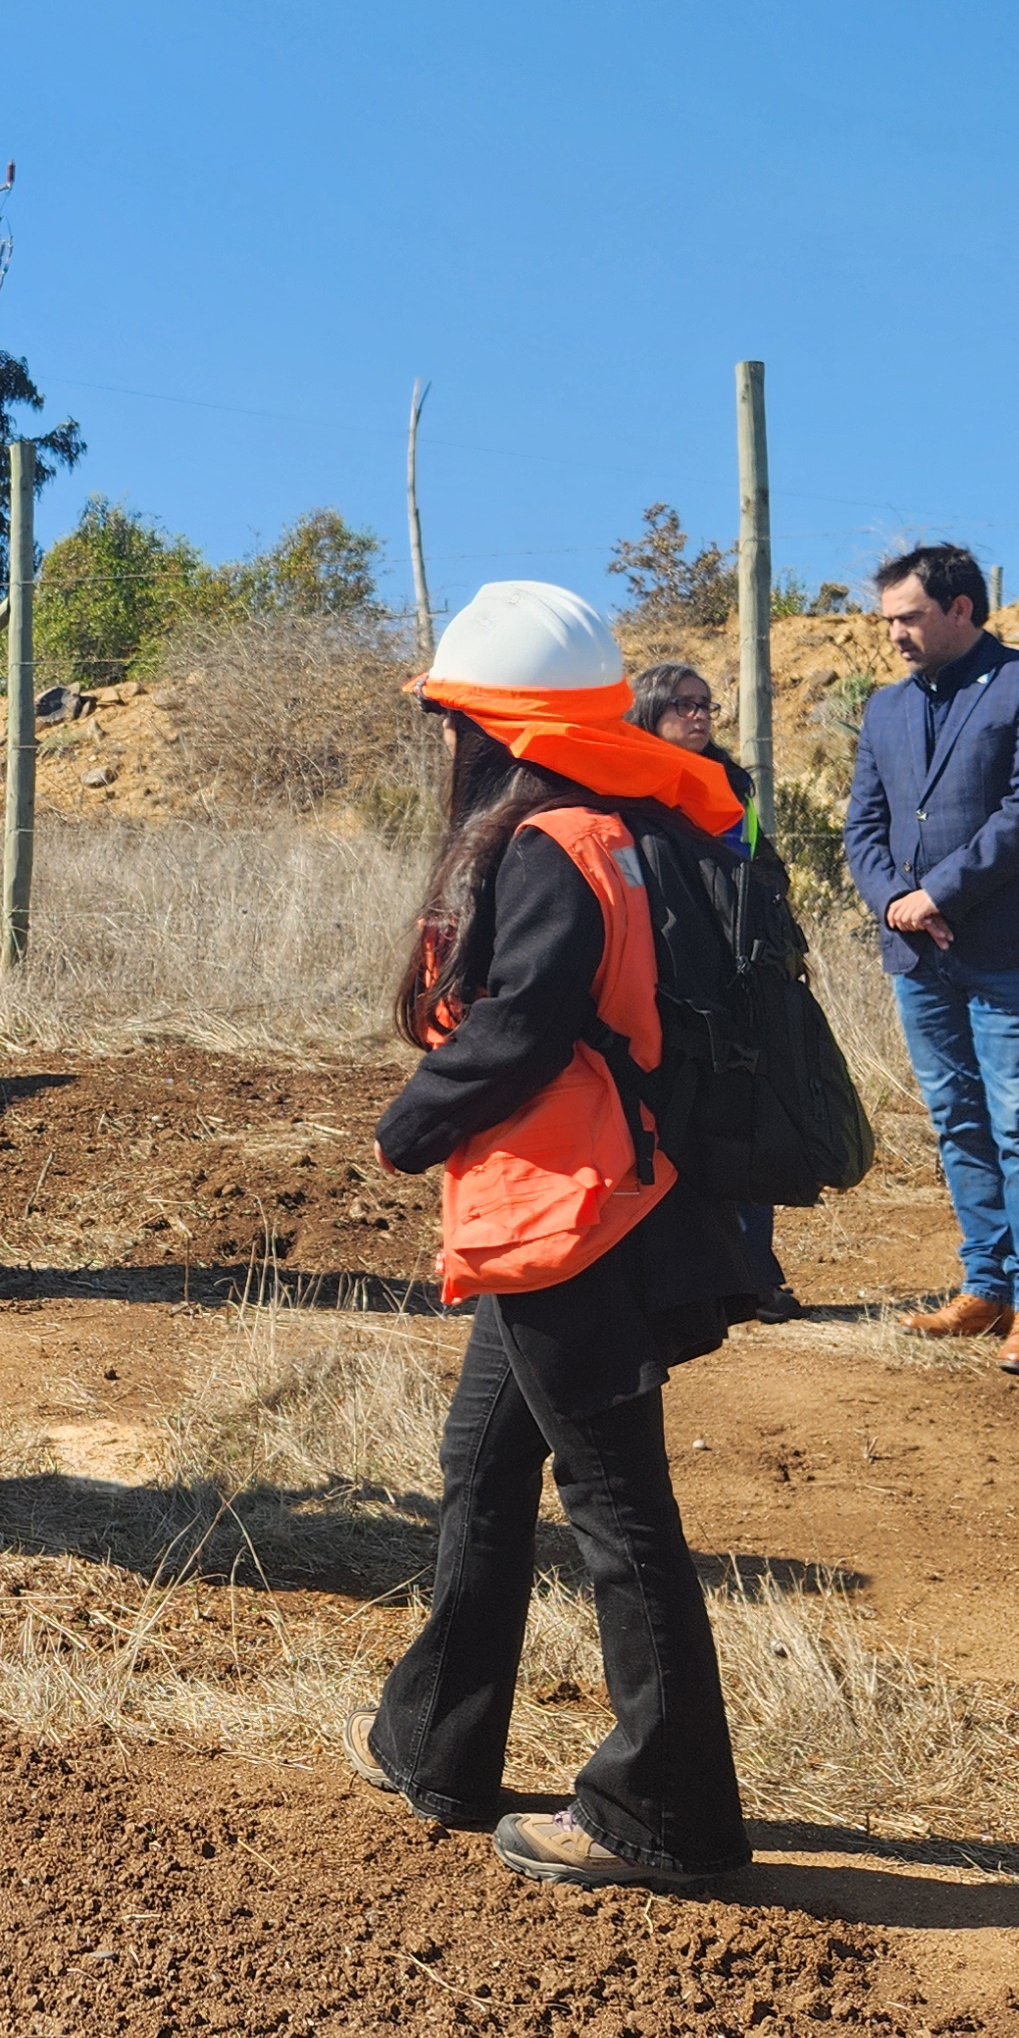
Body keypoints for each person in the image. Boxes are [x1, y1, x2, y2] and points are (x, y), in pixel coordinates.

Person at [363, 581, 765, 1889]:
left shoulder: (546, 846)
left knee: (616, 1508)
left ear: (491, 723)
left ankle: (667, 1811)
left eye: (450, 716)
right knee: (483, 1465)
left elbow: (523, 1026)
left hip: (568, 1209)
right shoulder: (630, 822)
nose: (440, 742)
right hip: (603, 1196)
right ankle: (439, 1743)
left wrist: (407, 1122)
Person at [843, 544, 1019, 1378]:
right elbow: (862, 829)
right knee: (957, 1121)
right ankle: (983, 1287)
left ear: (960, 609)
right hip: (917, 954)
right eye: (886, 623)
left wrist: (939, 894)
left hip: (1009, 950)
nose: (895, 637)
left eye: (909, 618)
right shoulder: (884, 709)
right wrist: (893, 902)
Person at [628, 661, 801, 1325]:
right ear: (647, 712)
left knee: (743, 1125)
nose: (698, 716)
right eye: (681, 705)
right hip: (656, 977)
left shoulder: (730, 782)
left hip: (733, 977)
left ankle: (757, 1276)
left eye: (705, 705)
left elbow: (759, 865)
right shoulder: (623, 781)